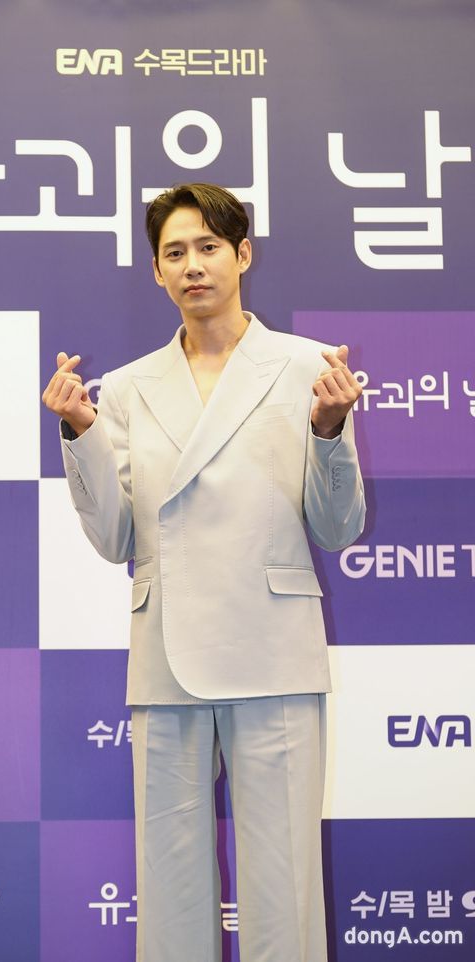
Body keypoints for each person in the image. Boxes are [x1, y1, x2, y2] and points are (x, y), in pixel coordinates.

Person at [42, 183, 365, 962]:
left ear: (242, 255)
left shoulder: (308, 367)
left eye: (209, 247)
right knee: (171, 884)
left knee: (284, 884)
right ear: (157, 272)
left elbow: (338, 527)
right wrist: (81, 432)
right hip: (168, 650)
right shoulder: (124, 388)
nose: (193, 266)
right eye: (175, 253)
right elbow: (116, 538)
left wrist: (330, 430)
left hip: (272, 646)